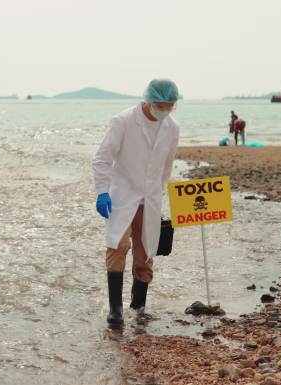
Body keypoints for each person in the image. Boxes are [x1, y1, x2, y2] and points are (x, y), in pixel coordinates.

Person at [92, 79, 180, 324]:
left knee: (146, 251)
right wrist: (102, 191)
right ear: (148, 101)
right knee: (118, 246)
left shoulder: (172, 127)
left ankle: (139, 307)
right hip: (122, 194)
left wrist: (159, 192)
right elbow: (102, 159)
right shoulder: (123, 121)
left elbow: (167, 165)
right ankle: (115, 309)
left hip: (150, 197)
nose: (164, 110)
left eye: (170, 106)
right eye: (160, 105)